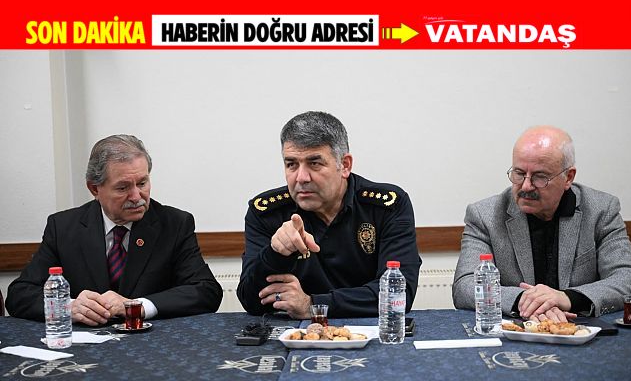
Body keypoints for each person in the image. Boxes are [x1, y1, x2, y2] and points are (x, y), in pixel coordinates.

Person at [6, 135, 222, 325]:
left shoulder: (174, 224)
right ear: (94, 188)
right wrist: (68, 307)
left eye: (142, 183)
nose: (136, 196)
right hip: (85, 346)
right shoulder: (63, 227)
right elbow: (19, 294)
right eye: (123, 187)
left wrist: (137, 306)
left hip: (153, 343)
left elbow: (205, 290)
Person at [453, 126, 631, 322]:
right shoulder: (485, 215)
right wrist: (525, 300)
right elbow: (465, 286)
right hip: (517, 330)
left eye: (540, 177)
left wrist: (567, 298)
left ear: (568, 177)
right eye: (519, 173)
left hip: (581, 329)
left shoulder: (601, 210)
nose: (526, 186)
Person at [237, 111, 422, 319]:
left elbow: (398, 294)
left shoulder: (386, 206)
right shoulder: (266, 213)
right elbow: (251, 301)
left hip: (369, 331)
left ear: (345, 165)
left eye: (314, 163)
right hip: (294, 334)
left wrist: (312, 305)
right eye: (291, 164)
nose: (301, 177)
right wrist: (275, 253)